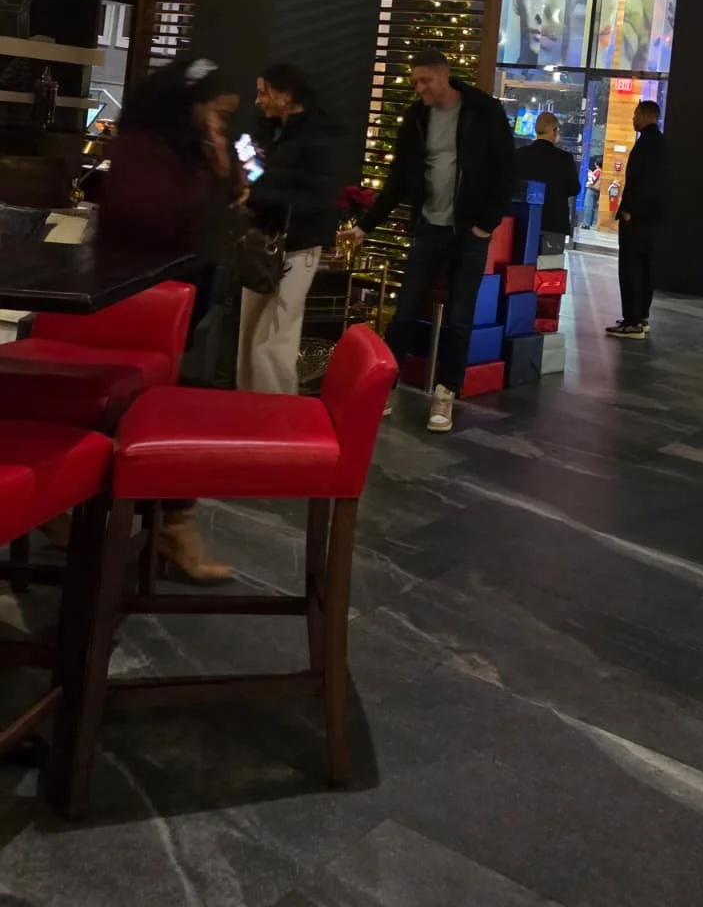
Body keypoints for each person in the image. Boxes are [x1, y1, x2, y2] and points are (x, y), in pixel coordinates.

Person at [97, 55, 244, 582]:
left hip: (174, 305)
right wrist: (213, 174)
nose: (219, 124)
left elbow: (224, 197)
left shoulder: (186, 149)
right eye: (215, 113)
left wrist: (222, 163)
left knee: (172, 396)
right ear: (188, 107)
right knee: (172, 402)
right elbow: (156, 215)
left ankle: (165, 524)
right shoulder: (145, 149)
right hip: (135, 310)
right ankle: (173, 526)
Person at [350, 48, 514, 433]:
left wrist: (486, 224)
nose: (419, 88)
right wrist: (365, 225)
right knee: (405, 311)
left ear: (445, 75)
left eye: (426, 80)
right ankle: (384, 387)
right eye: (415, 81)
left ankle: (446, 392)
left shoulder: (482, 110)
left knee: (460, 317)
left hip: (469, 234)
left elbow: (506, 171)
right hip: (427, 228)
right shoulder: (416, 117)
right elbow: (398, 179)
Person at [238, 63, 343, 396]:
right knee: (249, 333)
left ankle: (274, 417)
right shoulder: (270, 132)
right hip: (262, 243)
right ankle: (248, 408)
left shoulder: (319, 138)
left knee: (274, 337)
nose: (257, 100)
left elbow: (317, 199)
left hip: (297, 246)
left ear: (285, 95)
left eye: (263, 91)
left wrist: (255, 195)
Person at [606, 100, 668, 340]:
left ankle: (631, 321)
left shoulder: (646, 145)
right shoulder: (660, 144)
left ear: (644, 115)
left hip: (638, 220)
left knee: (631, 269)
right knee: (645, 270)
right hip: (653, 221)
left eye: (635, 114)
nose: (633, 119)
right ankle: (640, 318)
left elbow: (642, 182)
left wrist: (630, 209)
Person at [514, 112, 580, 251]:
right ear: (554, 132)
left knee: (520, 267)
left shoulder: (520, 154)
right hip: (553, 223)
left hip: (522, 221)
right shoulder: (564, 159)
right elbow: (574, 189)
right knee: (548, 268)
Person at [583, 158, 601, 228]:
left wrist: (590, 174)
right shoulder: (603, 171)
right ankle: (590, 223)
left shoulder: (597, 171)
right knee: (592, 207)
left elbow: (592, 180)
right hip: (598, 191)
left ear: (596, 164)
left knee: (588, 206)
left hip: (592, 190)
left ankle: (586, 224)